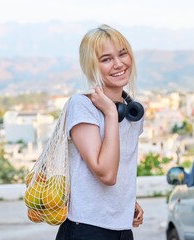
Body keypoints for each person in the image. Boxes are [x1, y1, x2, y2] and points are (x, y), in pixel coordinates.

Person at [56, 24, 144, 240]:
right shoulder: (82, 106)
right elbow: (106, 174)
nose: (118, 64)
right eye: (106, 59)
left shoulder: (133, 112)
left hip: (122, 229)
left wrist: (125, 200)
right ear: (92, 66)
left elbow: (119, 168)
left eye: (122, 54)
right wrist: (111, 115)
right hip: (87, 229)